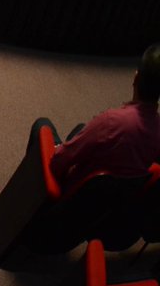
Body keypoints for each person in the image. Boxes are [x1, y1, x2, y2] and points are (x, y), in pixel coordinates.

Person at [44, 44, 160, 195]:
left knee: (42, 124)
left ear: (136, 78)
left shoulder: (110, 122)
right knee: (80, 128)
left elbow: (58, 162)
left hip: (75, 196)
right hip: (113, 203)